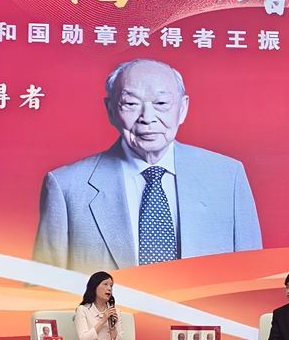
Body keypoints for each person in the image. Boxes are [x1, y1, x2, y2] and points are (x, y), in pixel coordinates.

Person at [33, 58, 262, 273]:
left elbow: (251, 279)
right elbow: (44, 290)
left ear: (183, 108)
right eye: (131, 104)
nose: (147, 118)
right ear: (111, 110)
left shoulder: (228, 177)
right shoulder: (67, 187)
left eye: (161, 103)